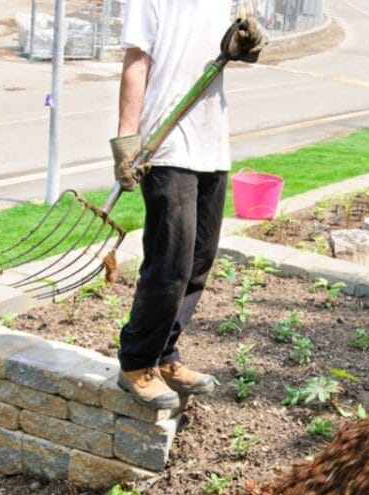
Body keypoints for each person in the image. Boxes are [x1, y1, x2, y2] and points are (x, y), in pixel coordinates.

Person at [109, 1, 265, 409]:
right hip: (167, 143)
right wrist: (127, 140)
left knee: (199, 259)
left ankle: (164, 353)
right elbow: (136, 61)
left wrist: (249, 43)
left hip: (212, 141)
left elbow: (239, 48)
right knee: (170, 262)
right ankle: (136, 362)